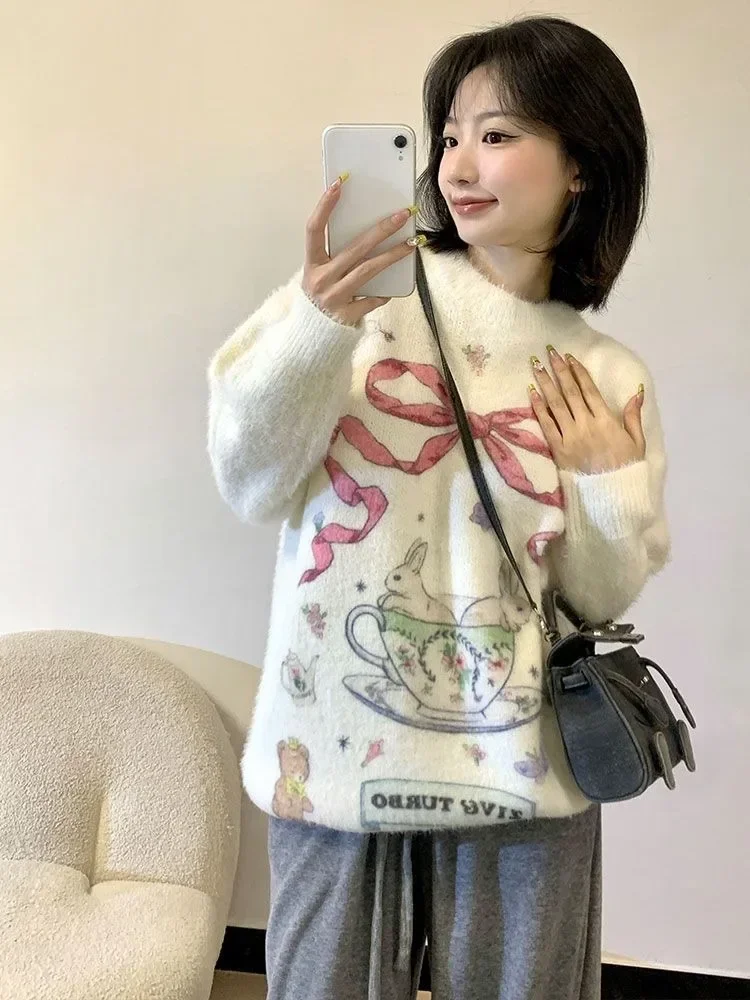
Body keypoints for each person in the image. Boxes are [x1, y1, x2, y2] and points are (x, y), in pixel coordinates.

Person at [207, 14, 670, 1000]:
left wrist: (602, 483)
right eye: (450, 134)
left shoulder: (603, 373)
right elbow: (248, 482)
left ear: (581, 165)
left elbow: (593, 600)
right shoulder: (350, 308)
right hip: (335, 758)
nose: (459, 163)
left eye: (498, 135)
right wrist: (313, 330)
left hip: (521, 778)